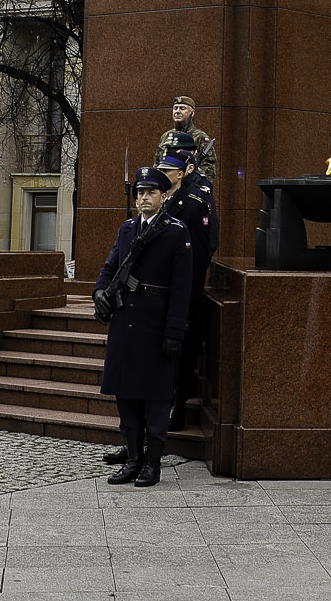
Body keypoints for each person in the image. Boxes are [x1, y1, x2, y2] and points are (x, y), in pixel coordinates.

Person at [94, 165, 194, 488]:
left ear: (163, 196)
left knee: (156, 399)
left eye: (151, 192)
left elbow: (182, 289)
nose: (144, 197)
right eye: (140, 192)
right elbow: (109, 268)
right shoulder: (127, 230)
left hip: (155, 325)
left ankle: (152, 463)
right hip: (126, 323)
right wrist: (99, 293)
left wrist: (175, 332)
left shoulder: (176, 232)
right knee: (126, 396)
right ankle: (134, 459)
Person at [159, 149, 215, 433]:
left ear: (181, 174)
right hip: (158, 293)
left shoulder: (194, 204)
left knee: (183, 352)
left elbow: (201, 254)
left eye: (167, 171)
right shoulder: (158, 201)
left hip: (184, 294)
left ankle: (177, 408)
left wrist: (187, 296)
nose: (162, 174)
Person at [156, 96, 217, 178]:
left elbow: (209, 169)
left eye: (182, 108)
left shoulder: (200, 137)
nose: (177, 111)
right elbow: (157, 163)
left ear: (192, 113)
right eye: (175, 108)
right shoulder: (166, 136)